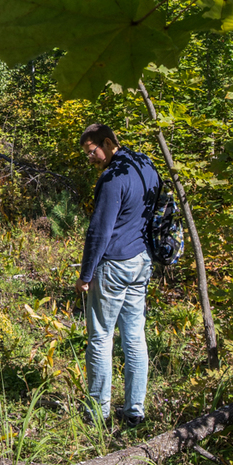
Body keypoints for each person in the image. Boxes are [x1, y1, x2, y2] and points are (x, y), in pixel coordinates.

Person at [75, 123, 160, 427]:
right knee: (135, 335)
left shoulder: (113, 178)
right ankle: (135, 410)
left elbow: (99, 232)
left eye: (92, 151)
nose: (91, 158)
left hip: (114, 264)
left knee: (100, 337)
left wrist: (85, 275)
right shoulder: (145, 165)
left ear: (108, 143)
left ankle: (98, 411)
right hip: (141, 260)